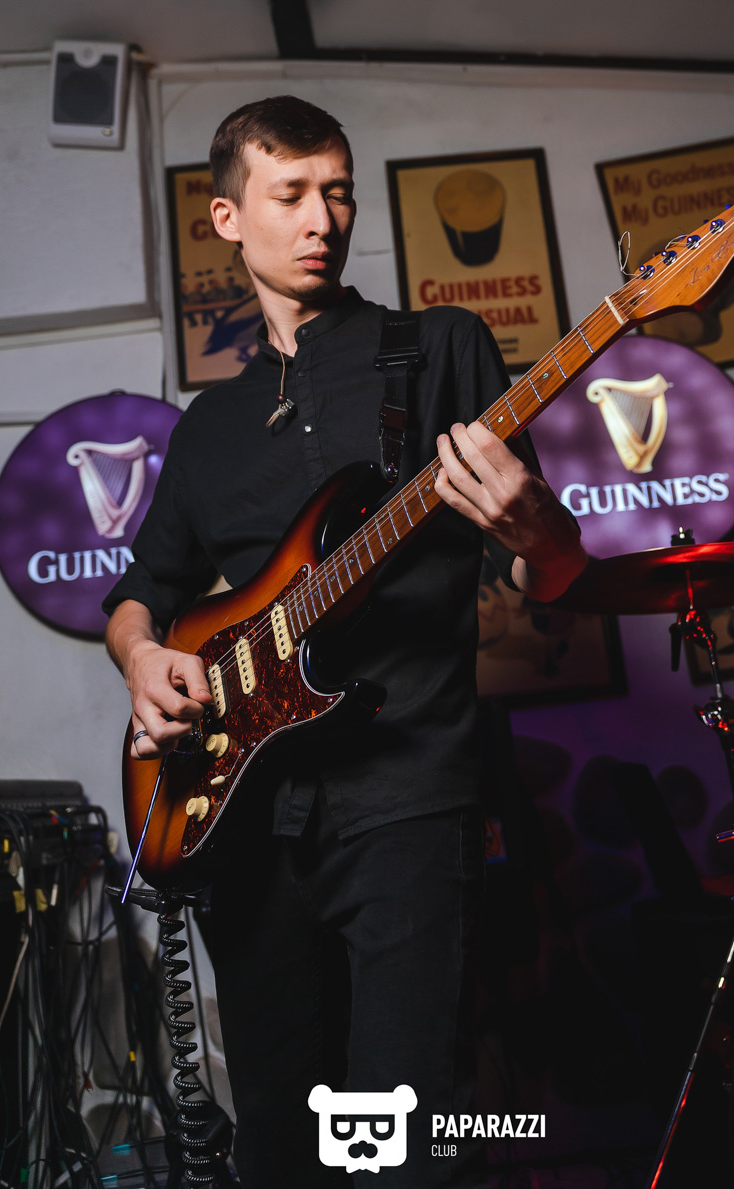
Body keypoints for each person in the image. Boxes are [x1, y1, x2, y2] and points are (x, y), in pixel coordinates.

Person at [104, 95, 587, 1187]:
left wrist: (537, 529)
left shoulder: (439, 348)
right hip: (241, 816)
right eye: (290, 195)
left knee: (400, 1131)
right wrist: (142, 657)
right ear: (228, 217)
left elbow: (555, 575)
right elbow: (140, 595)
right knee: (281, 1137)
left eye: (337, 192)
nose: (322, 218)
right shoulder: (208, 427)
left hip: (408, 790)